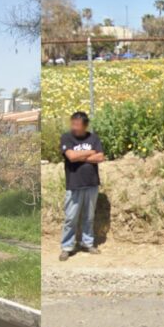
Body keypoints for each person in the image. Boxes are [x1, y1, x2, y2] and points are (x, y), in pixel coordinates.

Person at [59, 111, 105, 261]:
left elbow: (100, 157)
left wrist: (82, 156)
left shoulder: (93, 138)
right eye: (73, 123)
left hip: (91, 184)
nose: (74, 127)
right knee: (71, 218)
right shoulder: (67, 137)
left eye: (77, 125)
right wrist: (90, 153)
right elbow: (71, 157)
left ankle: (87, 243)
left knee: (89, 217)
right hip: (74, 184)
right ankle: (67, 247)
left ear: (85, 126)